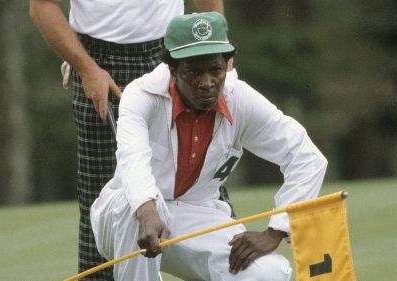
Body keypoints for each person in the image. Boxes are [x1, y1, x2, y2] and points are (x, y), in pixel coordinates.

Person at [90, 12, 328, 281]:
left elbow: (308, 158)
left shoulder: (241, 99)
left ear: (226, 66)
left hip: (198, 215)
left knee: (269, 274)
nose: (206, 83)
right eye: (193, 71)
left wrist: (276, 231)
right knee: (129, 202)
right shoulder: (140, 95)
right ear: (172, 70)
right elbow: (132, 159)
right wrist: (146, 210)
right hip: (126, 218)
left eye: (215, 70)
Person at [29, 1, 234, 280]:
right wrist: (87, 70)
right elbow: (41, 5)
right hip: (99, 63)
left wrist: (215, 47)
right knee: (106, 202)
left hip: (181, 55)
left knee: (204, 184)